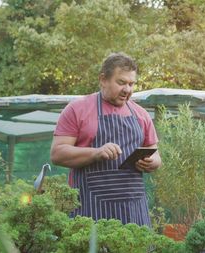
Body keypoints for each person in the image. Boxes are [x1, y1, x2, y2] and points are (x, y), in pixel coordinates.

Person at [50, 52, 161, 227]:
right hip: (90, 210)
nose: (127, 89)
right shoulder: (77, 109)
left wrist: (150, 162)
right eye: (121, 82)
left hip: (134, 211)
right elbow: (57, 153)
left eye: (132, 84)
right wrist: (96, 153)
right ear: (103, 79)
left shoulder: (141, 114)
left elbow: (156, 156)